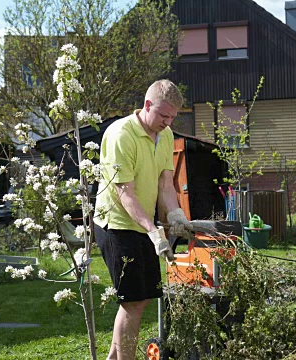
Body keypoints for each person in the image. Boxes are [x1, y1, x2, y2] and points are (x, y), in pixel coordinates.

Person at [94, 79, 194, 360]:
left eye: (173, 116)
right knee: (133, 301)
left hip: (143, 225)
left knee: (144, 297)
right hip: (116, 224)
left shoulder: (165, 135)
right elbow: (126, 194)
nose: (168, 121)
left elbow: (165, 185)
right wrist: (152, 231)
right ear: (147, 105)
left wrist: (175, 215)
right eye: (163, 115)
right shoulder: (120, 135)